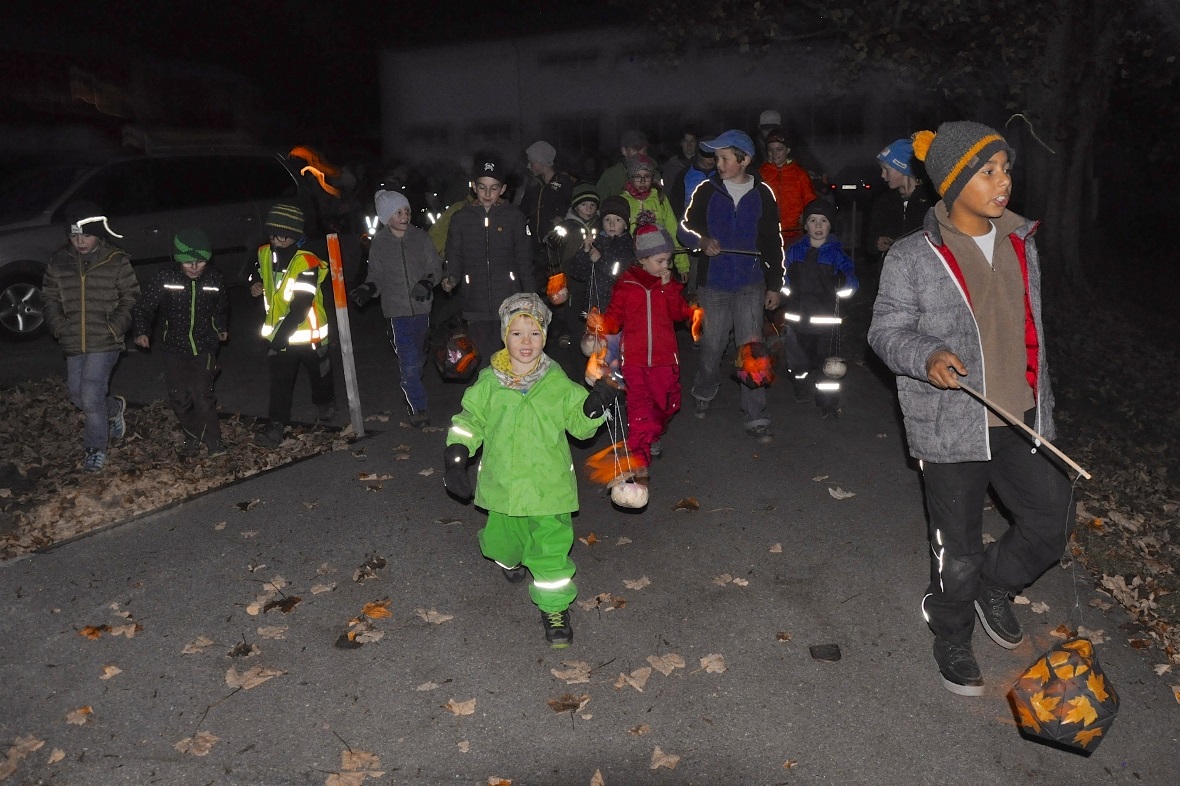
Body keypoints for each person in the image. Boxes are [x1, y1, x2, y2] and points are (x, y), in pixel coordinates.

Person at [868, 121, 1074, 697]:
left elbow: (1029, 330)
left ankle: (994, 584)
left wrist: (1039, 402)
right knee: (957, 552)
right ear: (953, 182)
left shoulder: (1021, 241)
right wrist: (926, 355)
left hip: (1020, 418)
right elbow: (885, 331)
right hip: (952, 425)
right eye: (988, 172)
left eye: (1006, 169)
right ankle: (951, 632)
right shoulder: (914, 255)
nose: (1003, 182)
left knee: (1052, 517)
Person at [443, 293, 621, 647]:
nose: (526, 342)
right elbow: (469, 420)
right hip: (503, 488)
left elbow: (579, 424)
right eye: (517, 333)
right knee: (502, 545)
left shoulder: (557, 382)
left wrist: (594, 407)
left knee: (550, 553)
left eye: (535, 333)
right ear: (504, 336)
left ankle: (555, 609)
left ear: (545, 336)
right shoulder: (488, 382)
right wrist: (457, 455)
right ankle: (508, 560)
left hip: (548, 488)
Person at [678, 129, 784, 444]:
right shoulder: (706, 190)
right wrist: (701, 241)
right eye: (717, 157)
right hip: (714, 284)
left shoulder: (763, 193)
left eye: (724, 158)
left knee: (751, 347)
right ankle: (705, 389)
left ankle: (755, 412)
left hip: (751, 282)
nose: (718, 163)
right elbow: (684, 229)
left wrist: (775, 284)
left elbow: (773, 241)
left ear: (744, 160)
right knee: (712, 344)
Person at [43, 201, 140, 472]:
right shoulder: (59, 261)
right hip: (73, 338)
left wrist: (115, 325)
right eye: (74, 236)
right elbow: (50, 296)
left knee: (91, 393)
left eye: (86, 235)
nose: (80, 242)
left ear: (98, 234)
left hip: (105, 339)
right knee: (77, 394)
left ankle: (95, 448)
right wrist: (58, 325)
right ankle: (114, 409)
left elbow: (131, 296)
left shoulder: (115, 260)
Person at [598, 221, 692, 480]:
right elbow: (614, 316)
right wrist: (601, 327)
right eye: (660, 261)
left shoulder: (668, 285)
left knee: (666, 406)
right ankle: (639, 461)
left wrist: (669, 288)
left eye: (668, 261)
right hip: (635, 362)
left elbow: (679, 314)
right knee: (639, 411)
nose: (666, 266)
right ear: (643, 259)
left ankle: (653, 433)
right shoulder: (626, 285)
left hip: (665, 361)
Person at [132, 229, 229, 456]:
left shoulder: (214, 278)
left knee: (203, 395)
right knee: (179, 397)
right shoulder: (166, 277)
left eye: (200, 262)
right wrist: (142, 331)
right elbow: (144, 307)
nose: (194, 267)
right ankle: (192, 436)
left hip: (205, 345)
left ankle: (214, 441)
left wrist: (221, 328)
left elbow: (221, 306)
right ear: (178, 260)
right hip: (173, 347)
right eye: (188, 263)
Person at [250, 203, 335, 449]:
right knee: (280, 382)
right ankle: (276, 426)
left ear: (295, 236)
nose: (276, 241)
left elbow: (301, 306)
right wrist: (254, 283)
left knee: (320, 374)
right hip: (281, 334)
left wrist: (280, 336)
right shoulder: (264, 252)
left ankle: (325, 402)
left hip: (308, 335)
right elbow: (255, 272)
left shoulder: (307, 262)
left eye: (282, 236)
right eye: (272, 235)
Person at [443, 152, 531, 364]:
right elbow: (454, 253)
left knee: (511, 358)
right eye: (482, 187)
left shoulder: (514, 217)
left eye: (494, 187)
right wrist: (451, 277)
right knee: (483, 358)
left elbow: (524, 259)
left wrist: (530, 295)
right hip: (475, 301)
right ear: (473, 186)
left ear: (503, 189)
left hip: (509, 300)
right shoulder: (461, 218)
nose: (488, 193)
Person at [366, 189, 443, 428]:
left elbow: (434, 266)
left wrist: (426, 282)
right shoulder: (380, 243)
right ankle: (417, 407)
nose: (405, 216)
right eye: (398, 212)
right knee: (408, 363)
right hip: (395, 313)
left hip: (422, 309)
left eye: (407, 211)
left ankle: (411, 386)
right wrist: (368, 288)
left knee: (418, 358)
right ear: (386, 217)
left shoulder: (420, 237)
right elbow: (376, 275)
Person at [779, 199, 858, 417]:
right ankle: (800, 383)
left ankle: (828, 405)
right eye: (813, 220)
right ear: (805, 225)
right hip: (797, 321)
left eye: (823, 221)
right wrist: (781, 294)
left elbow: (852, 283)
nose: (818, 225)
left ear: (830, 225)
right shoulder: (794, 251)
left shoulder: (837, 255)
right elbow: (783, 280)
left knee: (828, 366)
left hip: (827, 324)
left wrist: (844, 283)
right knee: (799, 364)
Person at [866, 137, 936, 268]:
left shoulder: (930, 200)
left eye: (887, 170)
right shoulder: (884, 202)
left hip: (924, 268)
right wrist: (877, 243)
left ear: (903, 168)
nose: (883, 175)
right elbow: (870, 240)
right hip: (892, 269)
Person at [546, 183, 600, 347]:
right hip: (570, 274)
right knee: (571, 305)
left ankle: (589, 339)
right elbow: (553, 247)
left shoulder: (600, 225)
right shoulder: (567, 225)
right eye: (584, 205)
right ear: (576, 206)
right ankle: (568, 332)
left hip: (594, 275)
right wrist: (552, 241)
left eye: (592, 205)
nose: (588, 209)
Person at [519, 140, 576, 293]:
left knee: (557, 288)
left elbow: (574, 210)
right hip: (535, 247)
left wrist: (563, 220)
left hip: (557, 248)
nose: (529, 166)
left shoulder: (564, 183)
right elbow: (522, 211)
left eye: (532, 162)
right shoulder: (533, 185)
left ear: (543, 162)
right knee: (536, 286)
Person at [620, 154, 688, 279]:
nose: (642, 181)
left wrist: (682, 264)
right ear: (630, 178)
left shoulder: (659, 198)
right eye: (637, 177)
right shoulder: (623, 201)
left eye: (647, 176)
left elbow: (673, 230)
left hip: (660, 263)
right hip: (633, 264)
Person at [569, 195, 633, 320]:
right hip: (593, 308)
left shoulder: (627, 246)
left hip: (616, 308)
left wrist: (600, 260)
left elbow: (620, 273)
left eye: (617, 220)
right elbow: (578, 273)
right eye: (607, 220)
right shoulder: (596, 243)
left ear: (626, 224)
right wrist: (585, 251)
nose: (612, 224)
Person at [760, 127, 818, 248]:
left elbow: (810, 200)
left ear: (788, 150)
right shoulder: (761, 173)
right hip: (768, 234)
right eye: (770, 150)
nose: (774, 154)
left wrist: (807, 216)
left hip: (794, 234)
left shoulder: (800, 174)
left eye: (779, 149)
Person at [596, 129, 648, 200]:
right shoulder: (610, 176)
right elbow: (600, 203)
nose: (641, 154)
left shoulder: (653, 174)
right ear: (624, 151)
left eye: (644, 150)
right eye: (636, 150)